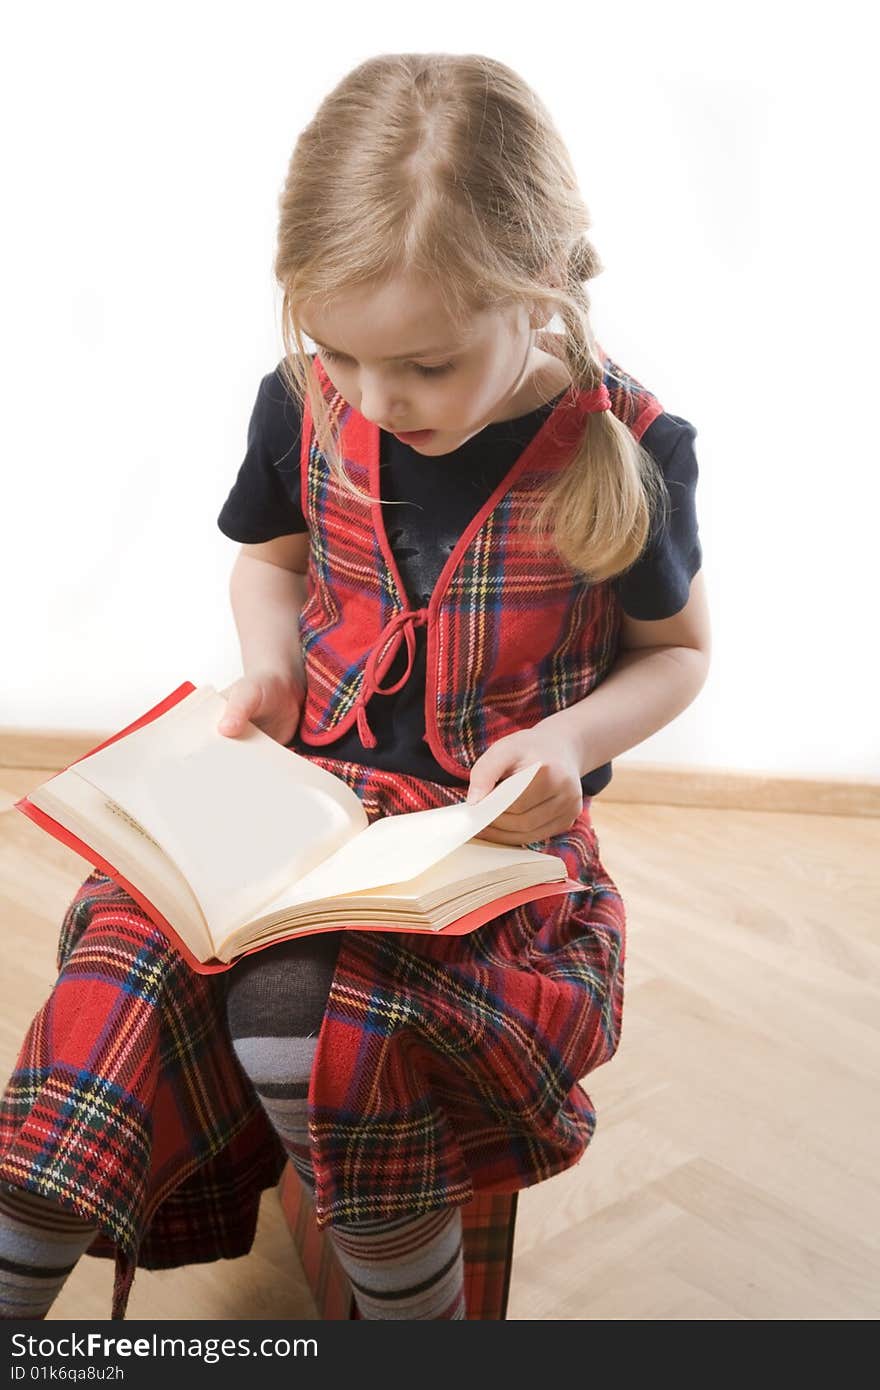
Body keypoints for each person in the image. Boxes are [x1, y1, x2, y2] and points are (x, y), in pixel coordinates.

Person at [0, 52, 710, 1322]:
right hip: (290, 812)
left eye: (427, 367)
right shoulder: (305, 402)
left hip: (483, 861)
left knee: (327, 1029)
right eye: (339, 354)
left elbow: (678, 654)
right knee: (108, 996)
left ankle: (407, 1319)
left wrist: (567, 736)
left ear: (535, 293)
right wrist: (270, 664)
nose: (378, 399)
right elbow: (266, 566)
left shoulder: (630, 446)